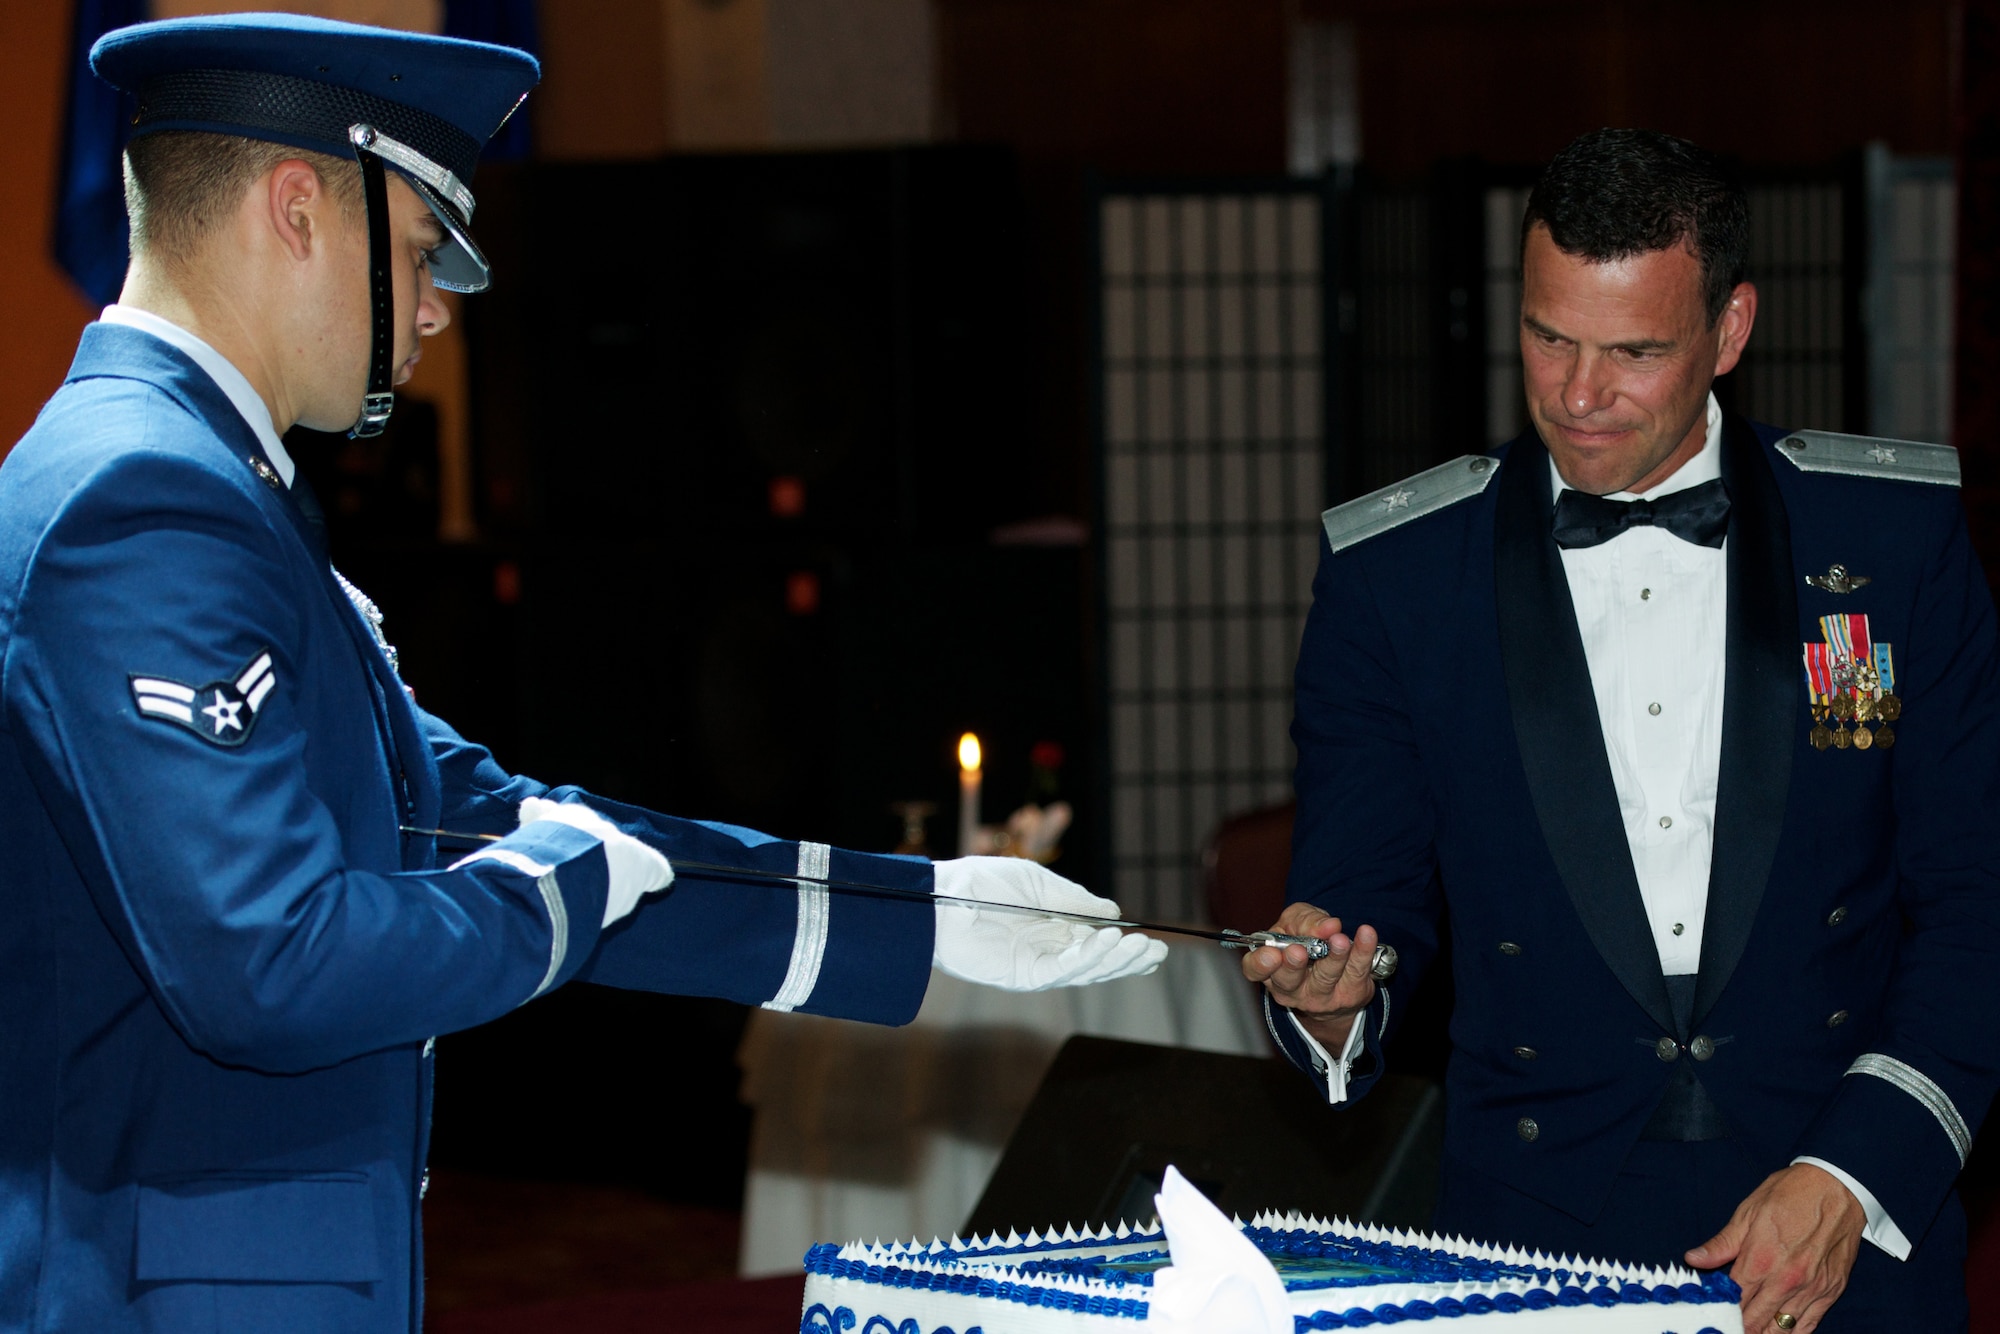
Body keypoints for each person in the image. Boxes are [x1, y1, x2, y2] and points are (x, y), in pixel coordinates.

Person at [0, 16, 1165, 1332]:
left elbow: (463, 812)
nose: (436, 305)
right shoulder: (144, 500)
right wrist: (555, 889)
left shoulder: (202, 483)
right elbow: (272, 960)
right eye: (420, 250)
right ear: (295, 207)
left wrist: (928, 919)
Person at [1246, 128, 1998, 1333]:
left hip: (1842, 1205)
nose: (1577, 394)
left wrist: (1852, 1171)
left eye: (1633, 352)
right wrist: (1330, 992)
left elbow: (1976, 908)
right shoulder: (1397, 577)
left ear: (1729, 331)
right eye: (1548, 337)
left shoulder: (1891, 549)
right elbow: (1356, 903)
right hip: (1540, 1234)